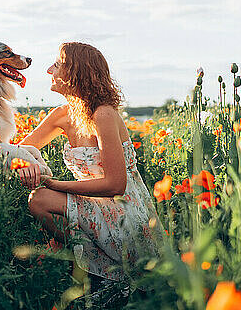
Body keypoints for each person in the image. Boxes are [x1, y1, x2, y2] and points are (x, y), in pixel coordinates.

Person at [16, 42, 163, 305]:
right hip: (92, 205)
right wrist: (27, 164)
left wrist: (56, 184)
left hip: (123, 209)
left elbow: (115, 185)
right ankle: (90, 265)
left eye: (57, 65)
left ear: (75, 73)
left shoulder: (103, 114)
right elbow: (22, 150)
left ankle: (108, 275)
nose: (49, 70)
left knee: (42, 196)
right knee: (38, 199)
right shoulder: (61, 116)